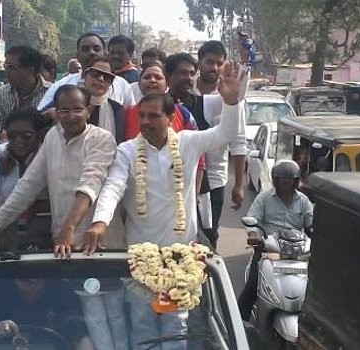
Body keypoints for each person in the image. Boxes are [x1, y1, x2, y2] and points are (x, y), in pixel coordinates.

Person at [85, 63, 244, 349]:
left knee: (176, 326)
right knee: (142, 324)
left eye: (153, 116)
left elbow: (225, 134)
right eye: (141, 116)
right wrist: (100, 221)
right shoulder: (127, 151)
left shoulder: (188, 143)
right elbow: (113, 187)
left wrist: (232, 101)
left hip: (179, 257)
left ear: (171, 118)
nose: (144, 122)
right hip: (139, 258)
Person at [0, 85, 117, 259]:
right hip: (62, 243)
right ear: (56, 112)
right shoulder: (52, 137)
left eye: (77, 110)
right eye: (64, 110)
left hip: (95, 241)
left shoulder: (101, 139)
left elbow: (90, 183)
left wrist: (69, 227)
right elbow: (28, 185)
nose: (71, 116)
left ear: (88, 111)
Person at [167, 52, 248, 249]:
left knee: (205, 238)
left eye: (191, 73)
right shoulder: (152, 106)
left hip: (205, 185)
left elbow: (231, 130)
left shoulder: (203, 102)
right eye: (182, 73)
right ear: (168, 76)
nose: (188, 78)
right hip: (165, 188)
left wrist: (232, 95)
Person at [237, 160, 313, 320]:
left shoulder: (304, 201)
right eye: (282, 180)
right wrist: (253, 235)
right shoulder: (264, 197)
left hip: (296, 252)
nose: (286, 184)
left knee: (312, 288)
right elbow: (252, 218)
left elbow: (310, 223)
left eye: (289, 181)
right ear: (275, 181)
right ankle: (238, 325)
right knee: (251, 287)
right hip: (268, 251)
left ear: (296, 182)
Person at [0, 107, 49, 250]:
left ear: (39, 135)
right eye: (12, 135)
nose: (18, 141)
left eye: (26, 135)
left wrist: (32, 207)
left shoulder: (48, 155)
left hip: (45, 234)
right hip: (5, 231)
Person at [0, 278, 93, 350]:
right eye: (23, 275)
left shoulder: (61, 292)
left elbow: (80, 338)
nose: (30, 278)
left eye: (36, 274)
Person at [37, 33, 135, 112]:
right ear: (77, 56)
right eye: (85, 49)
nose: (92, 52)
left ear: (105, 54)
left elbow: (132, 119)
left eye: (96, 49)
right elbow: (41, 115)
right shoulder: (61, 85)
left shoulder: (122, 85)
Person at [0, 46, 50, 144]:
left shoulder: (52, 93)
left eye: (12, 67)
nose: (6, 71)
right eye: (6, 66)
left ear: (31, 70)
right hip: (9, 156)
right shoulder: (0, 96)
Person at [124, 62, 198, 139]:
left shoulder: (182, 113)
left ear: (167, 84)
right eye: (147, 77)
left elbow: (195, 143)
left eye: (158, 78)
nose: (152, 80)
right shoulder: (127, 113)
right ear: (139, 84)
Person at [81, 57, 126, 143]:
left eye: (107, 77)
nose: (101, 79)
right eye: (95, 73)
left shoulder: (116, 109)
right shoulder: (68, 100)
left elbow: (117, 143)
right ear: (84, 75)